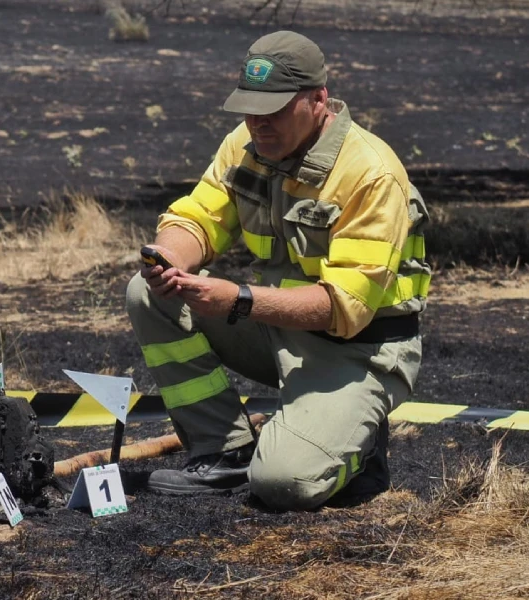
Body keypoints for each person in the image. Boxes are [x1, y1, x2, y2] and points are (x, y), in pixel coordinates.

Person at [126, 31, 431, 511]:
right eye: (249, 108)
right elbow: (196, 218)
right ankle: (223, 450)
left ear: (318, 100)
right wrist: (169, 259)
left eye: (274, 110)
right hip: (279, 330)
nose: (258, 123)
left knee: (282, 484)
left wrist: (239, 301)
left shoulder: (370, 173)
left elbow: (343, 307)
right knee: (149, 294)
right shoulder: (245, 144)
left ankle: (361, 445)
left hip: (360, 349)